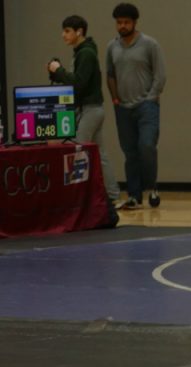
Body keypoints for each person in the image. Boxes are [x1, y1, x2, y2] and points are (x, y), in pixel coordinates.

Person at [48, 14, 121, 204]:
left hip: (90, 109)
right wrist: (58, 75)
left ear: (79, 32)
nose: (63, 35)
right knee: (100, 154)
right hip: (93, 109)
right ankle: (112, 194)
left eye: (67, 31)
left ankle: (77, 196)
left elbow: (79, 84)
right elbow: (79, 81)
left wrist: (59, 71)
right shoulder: (82, 52)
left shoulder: (86, 53)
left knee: (77, 149)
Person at [105, 2, 166, 211]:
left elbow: (160, 74)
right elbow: (110, 74)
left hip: (146, 106)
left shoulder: (149, 44)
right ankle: (134, 195)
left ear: (134, 23)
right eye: (119, 22)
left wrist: (151, 97)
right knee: (130, 152)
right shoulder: (111, 46)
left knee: (146, 146)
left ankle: (152, 188)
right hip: (122, 107)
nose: (122, 26)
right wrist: (115, 99)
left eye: (126, 22)